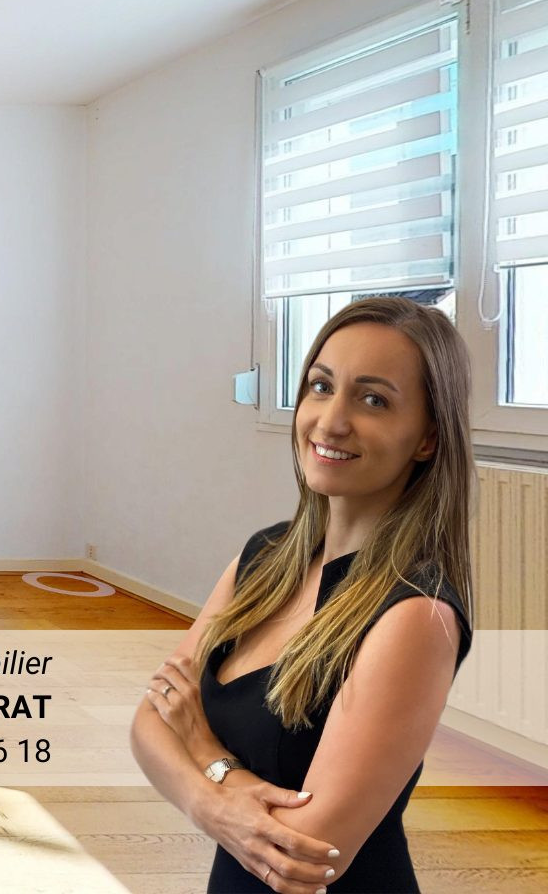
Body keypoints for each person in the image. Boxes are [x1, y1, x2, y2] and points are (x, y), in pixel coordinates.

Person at [129, 296, 475, 893]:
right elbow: (149, 720)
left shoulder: (416, 614)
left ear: (427, 438)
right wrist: (211, 805)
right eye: (321, 386)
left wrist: (203, 749)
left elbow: (306, 857)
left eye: (373, 400)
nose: (331, 421)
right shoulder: (263, 556)